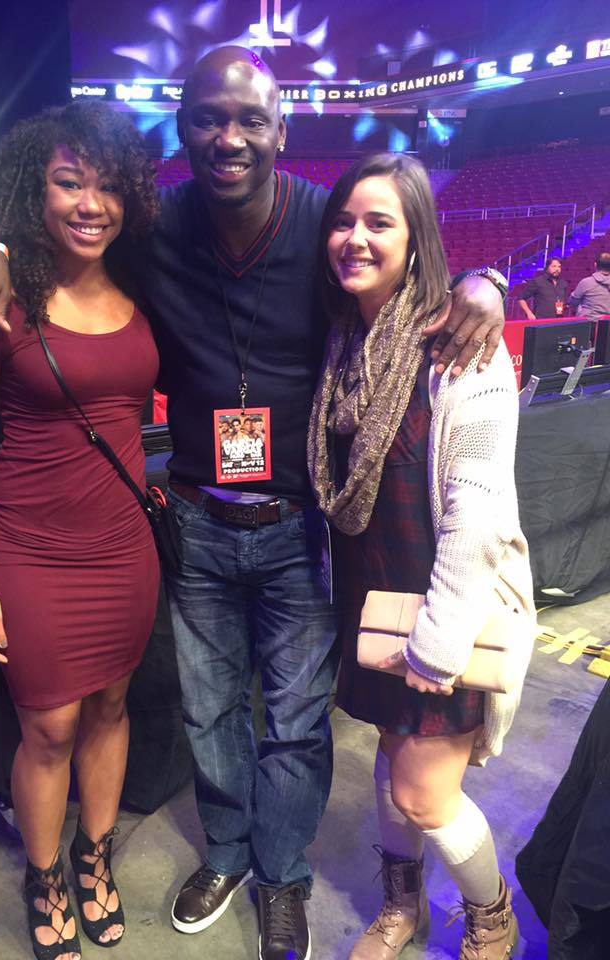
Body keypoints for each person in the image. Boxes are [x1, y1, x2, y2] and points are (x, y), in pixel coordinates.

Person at [0, 47, 509, 960]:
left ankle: (281, 875)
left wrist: (488, 283)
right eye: (209, 118)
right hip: (196, 518)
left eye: (250, 120)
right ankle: (230, 855)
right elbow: (61, 216)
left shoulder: (324, 222)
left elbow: (409, 260)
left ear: (280, 131)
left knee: (294, 723)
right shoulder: (153, 228)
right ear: (183, 127)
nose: (229, 137)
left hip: (297, 525)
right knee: (209, 714)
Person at [0, 102, 160, 960]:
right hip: (29, 554)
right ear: (34, 191)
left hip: (125, 549)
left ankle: (93, 856)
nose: (89, 204)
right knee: (48, 729)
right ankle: (45, 874)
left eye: (107, 186)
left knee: (111, 706)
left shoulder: (140, 283)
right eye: (69, 183)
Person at [307, 153, 536, 959]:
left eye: (380, 223)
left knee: (425, 792)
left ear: (415, 241)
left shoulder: (463, 347)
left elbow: (476, 512)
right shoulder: (345, 340)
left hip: (444, 612)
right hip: (372, 602)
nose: (356, 238)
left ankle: (492, 915)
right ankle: (402, 907)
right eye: (343, 221)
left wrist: (436, 646)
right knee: (389, 759)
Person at [568, 252, 610, 322]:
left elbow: (572, 302)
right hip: (607, 324)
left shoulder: (586, 282)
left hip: (587, 324)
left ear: (595, 265)